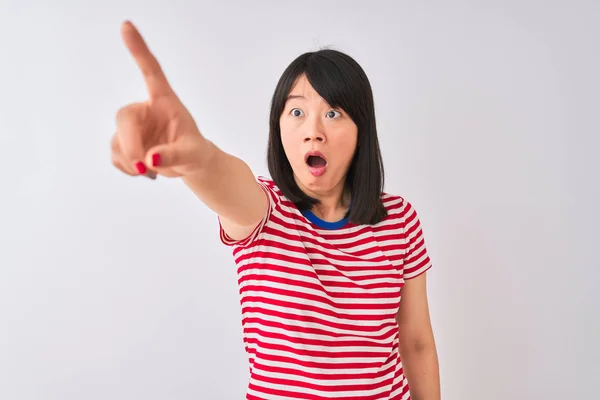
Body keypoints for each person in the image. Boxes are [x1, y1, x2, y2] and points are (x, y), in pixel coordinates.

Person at [111, 20, 441, 400]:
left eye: (333, 113)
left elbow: (416, 343)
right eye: (297, 112)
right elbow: (224, 178)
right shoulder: (265, 211)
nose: (312, 130)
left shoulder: (398, 220)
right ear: (279, 128)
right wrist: (198, 156)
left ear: (361, 130)